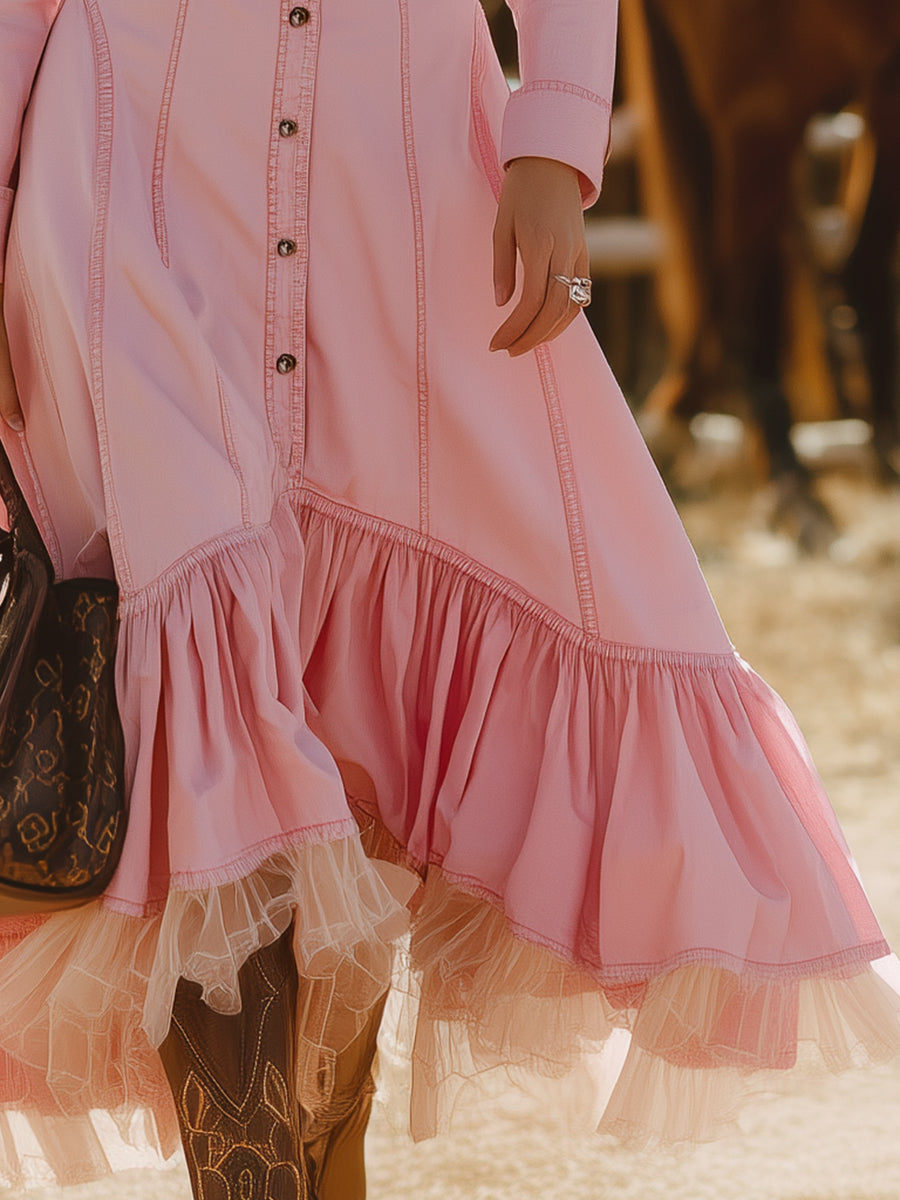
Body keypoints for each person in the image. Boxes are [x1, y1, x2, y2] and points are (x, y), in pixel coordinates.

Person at [0, 0, 899, 1197]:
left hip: (407, 156)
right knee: (203, 696)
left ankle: (326, 1166)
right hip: (130, 159)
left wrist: (557, 136)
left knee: (360, 722)